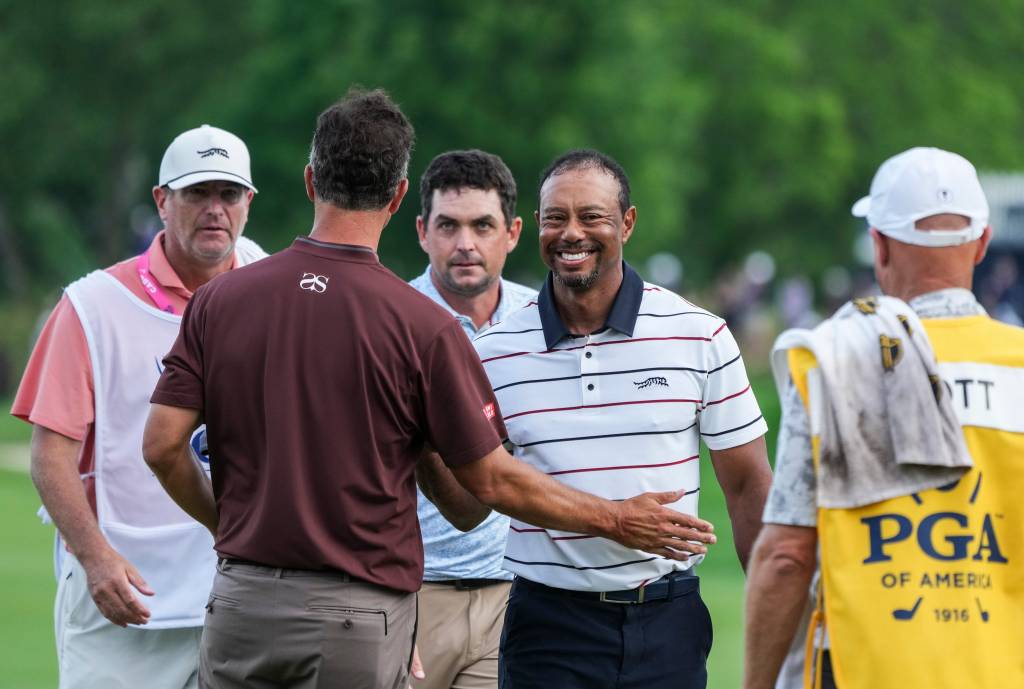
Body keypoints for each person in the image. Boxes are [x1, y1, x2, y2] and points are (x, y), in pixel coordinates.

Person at [141, 89, 718, 689]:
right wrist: (615, 518)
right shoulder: (420, 324)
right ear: (398, 197)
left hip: (241, 602)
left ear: (311, 181)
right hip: (358, 614)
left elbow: (161, 447)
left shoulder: (220, 300)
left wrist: (228, 529)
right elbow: (481, 493)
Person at [472, 149, 773, 689]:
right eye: (556, 218)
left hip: (666, 620)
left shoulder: (699, 335)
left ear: (627, 224)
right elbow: (479, 490)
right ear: (537, 225)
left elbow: (750, 486)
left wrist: (777, 616)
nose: (572, 233)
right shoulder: (492, 352)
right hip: (547, 625)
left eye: (592, 217)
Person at [743, 147, 1024, 689]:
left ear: (880, 244)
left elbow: (786, 556)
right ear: (983, 243)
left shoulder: (839, 356)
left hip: (863, 670)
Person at [10, 124, 264, 689]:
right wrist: (95, 559)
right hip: (123, 601)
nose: (215, 210)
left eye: (229, 193)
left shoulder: (270, 287)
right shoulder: (92, 307)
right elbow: (51, 457)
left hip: (240, 596)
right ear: (162, 201)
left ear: (249, 202)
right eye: (197, 193)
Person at [409, 150, 536, 689]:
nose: (466, 243)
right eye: (449, 225)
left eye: (482, 225)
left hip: (514, 594)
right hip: (410, 594)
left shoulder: (541, 323)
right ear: (422, 231)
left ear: (511, 233)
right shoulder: (391, 320)